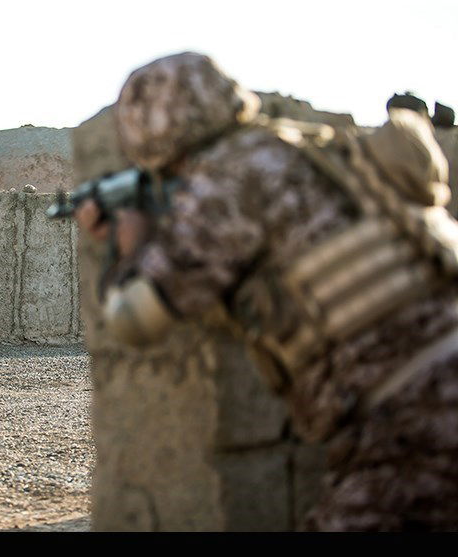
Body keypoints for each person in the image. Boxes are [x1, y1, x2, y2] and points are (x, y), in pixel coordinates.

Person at [74, 52, 458, 531]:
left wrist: (130, 245)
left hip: (417, 415)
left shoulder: (227, 180)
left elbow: (135, 319)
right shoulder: (313, 145)